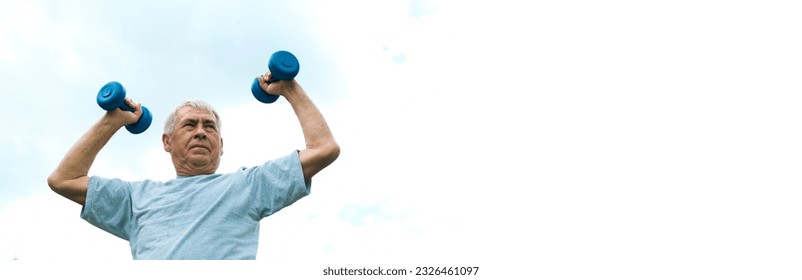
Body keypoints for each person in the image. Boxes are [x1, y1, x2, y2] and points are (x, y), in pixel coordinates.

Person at [47, 72, 340, 259]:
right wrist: (112, 121)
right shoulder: (136, 199)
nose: (201, 131)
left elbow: (324, 148)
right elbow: (63, 179)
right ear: (167, 142)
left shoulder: (247, 186)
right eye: (190, 124)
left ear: (221, 146)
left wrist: (290, 88)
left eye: (210, 127)